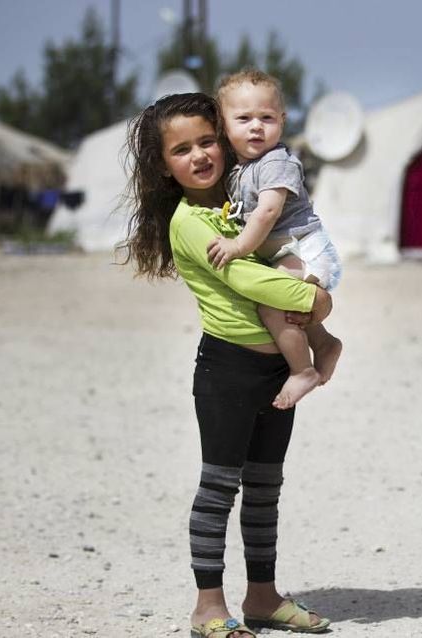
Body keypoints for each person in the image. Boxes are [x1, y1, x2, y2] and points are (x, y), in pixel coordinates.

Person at [121, 93, 332, 638]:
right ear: (164, 165)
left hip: (276, 373)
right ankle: (208, 608)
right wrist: (314, 298)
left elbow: (292, 235)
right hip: (227, 371)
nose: (198, 156)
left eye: (207, 140)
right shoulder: (190, 220)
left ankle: (262, 596)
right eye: (181, 149)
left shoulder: (246, 198)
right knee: (219, 487)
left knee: (266, 487)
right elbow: (248, 280)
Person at [206, 69, 342, 410]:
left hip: (303, 247)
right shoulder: (239, 169)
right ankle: (324, 344)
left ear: (282, 121)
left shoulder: (276, 162)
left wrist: (237, 246)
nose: (256, 126)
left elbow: (267, 212)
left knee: (272, 303)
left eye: (266, 117)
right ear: (223, 125)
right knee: (291, 309)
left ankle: (302, 371)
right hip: (283, 250)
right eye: (244, 118)